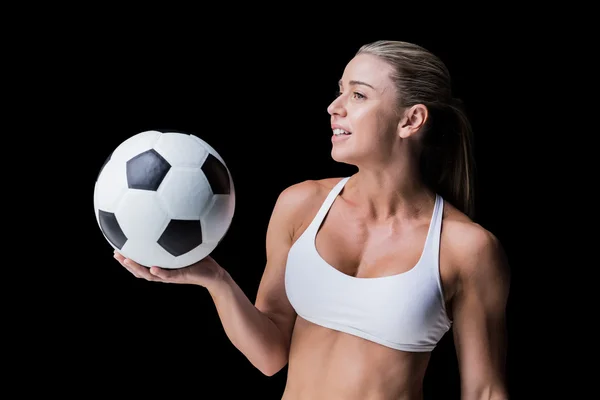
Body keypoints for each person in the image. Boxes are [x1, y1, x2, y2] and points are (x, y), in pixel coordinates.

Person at [114, 40, 511, 400]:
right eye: (340, 91)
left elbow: (485, 389)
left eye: (358, 94)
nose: (334, 107)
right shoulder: (300, 205)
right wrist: (213, 278)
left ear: (411, 120)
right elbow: (270, 355)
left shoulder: (466, 248)